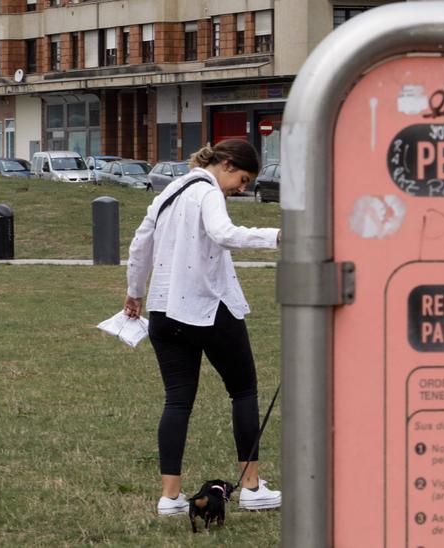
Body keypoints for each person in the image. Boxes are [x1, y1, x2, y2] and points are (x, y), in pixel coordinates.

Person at [123, 139, 283, 515]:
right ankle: (251, 486)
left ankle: (170, 497)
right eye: (242, 180)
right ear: (226, 164)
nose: (241, 189)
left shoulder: (170, 190)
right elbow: (223, 233)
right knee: (243, 390)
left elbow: (138, 246)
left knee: (177, 400)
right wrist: (277, 236)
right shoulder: (207, 191)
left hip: (164, 311)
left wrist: (134, 294)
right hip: (209, 308)